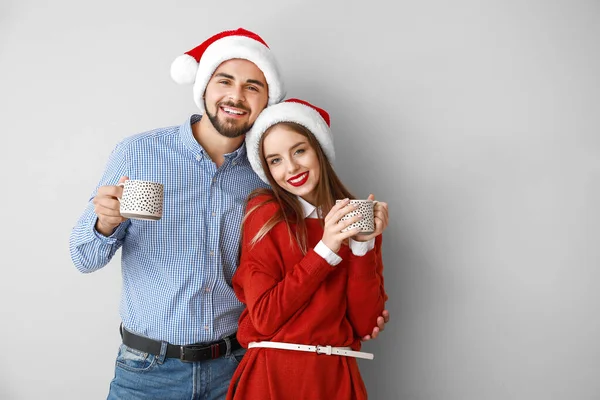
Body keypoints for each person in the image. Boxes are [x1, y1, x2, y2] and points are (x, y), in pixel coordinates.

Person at [69, 28, 388, 399]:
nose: (236, 96)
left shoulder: (270, 176)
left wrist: (357, 279)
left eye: (253, 86)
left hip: (234, 368)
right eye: (225, 81)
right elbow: (82, 257)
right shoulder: (140, 154)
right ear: (204, 87)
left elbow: (293, 270)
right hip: (147, 370)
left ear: (266, 100)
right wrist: (105, 223)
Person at [227, 99, 389, 399]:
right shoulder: (265, 213)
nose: (291, 168)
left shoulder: (354, 217)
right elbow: (264, 317)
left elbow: (365, 324)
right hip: (272, 377)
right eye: (275, 160)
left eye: (299, 150)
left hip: (337, 378)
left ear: (320, 150)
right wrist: (326, 248)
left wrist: (364, 245)